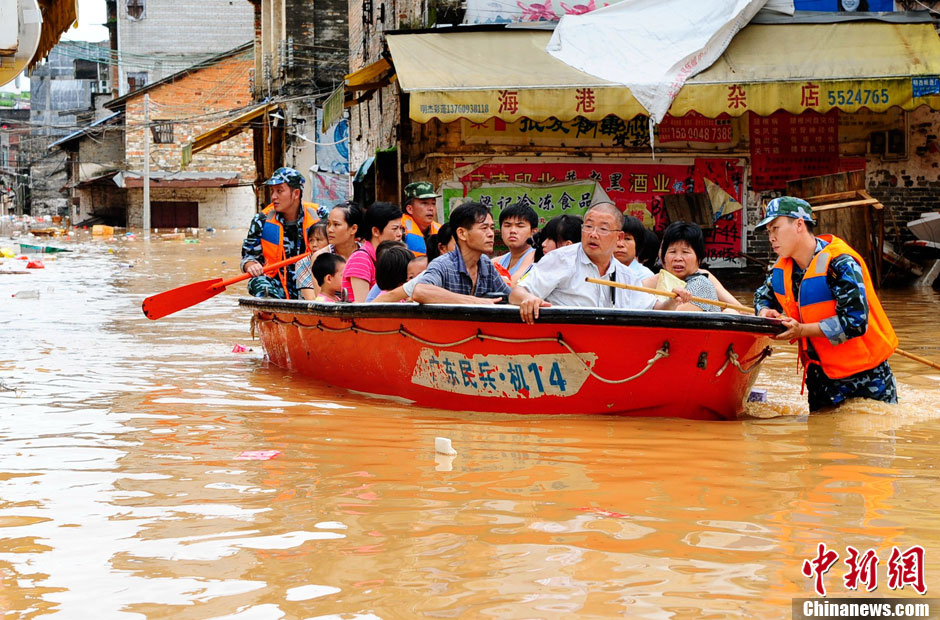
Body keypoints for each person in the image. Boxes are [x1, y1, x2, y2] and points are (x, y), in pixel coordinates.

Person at [753, 196, 898, 411]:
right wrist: (765, 311)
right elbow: (762, 296)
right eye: (768, 232)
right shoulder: (781, 269)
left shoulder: (840, 264)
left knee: (870, 437)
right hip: (820, 378)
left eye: (776, 228)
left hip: (866, 378)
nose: (771, 238)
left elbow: (855, 322)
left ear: (799, 225)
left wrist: (801, 330)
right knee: (821, 441)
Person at [511, 203, 690, 324]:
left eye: (603, 229)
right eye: (588, 226)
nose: (593, 234)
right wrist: (529, 299)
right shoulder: (561, 259)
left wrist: (672, 301)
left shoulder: (625, 275)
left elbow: (653, 309)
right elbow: (516, 293)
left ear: (619, 237)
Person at [240, 167, 324, 299]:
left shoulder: (320, 215)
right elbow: (248, 257)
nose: (273, 197)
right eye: (272, 191)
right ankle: (272, 310)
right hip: (277, 284)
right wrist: (251, 266)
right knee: (256, 282)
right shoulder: (261, 220)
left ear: (296, 193)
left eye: (279, 191)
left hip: (311, 281)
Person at [408, 201, 511, 304]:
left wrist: (525, 297)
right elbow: (420, 291)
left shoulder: (486, 263)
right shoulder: (443, 264)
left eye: (492, 228)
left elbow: (509, 294)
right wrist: (474, 301)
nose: (491, 234)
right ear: (462, 233)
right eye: (484, 228)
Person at [642, 221, 741, 313]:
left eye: (685, 252)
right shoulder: (658, 279)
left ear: (699, 258)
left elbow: (671, 319)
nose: (678, 258)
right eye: (672, 252)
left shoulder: (701, 284)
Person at [298, 202, 363, 300]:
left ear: (353, 229)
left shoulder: (365, 255)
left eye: (336, 225)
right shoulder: (320, 257)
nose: (329, 229)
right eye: (328, 224)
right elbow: (321, 297)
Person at [342, 202, 403, 302]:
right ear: (375, 231)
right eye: (395, 228)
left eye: (401, 228)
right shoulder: (361, 259)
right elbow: (363, 306)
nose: (399, 234)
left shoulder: (391, 257)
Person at [494, 202, 538, 285]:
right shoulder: (497, 261)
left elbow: (512, 285)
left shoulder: (535, 256)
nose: (512, 231)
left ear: (533, 232)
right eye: (507, 225)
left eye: (520, 226)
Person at [401, 181, 441, 256]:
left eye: (433, 203)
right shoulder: (399, 230)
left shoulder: (440, 230)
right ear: (410, 209)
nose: (431, 208)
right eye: (424, 203)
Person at [615, 215, 654, 280]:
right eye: (617, 238)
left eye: (627, 239)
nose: (620, 244)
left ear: (638, 243)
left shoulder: (646, 276)